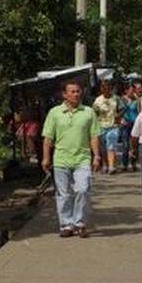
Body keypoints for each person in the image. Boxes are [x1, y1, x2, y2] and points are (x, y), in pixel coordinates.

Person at [41, 79, 100, 238]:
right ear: (64, 94)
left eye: (78, 91)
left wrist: (97, 156)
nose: (76, 94)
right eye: (72, 91)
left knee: (82, 189)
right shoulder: (54, 113)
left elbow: (94, 136)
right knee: (64, 194)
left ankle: (80, 223)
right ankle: (66, 225)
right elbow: (48, 138)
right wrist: (46, 158)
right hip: (61, 159)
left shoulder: (88, 112)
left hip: (82, 159)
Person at [91, 81, 120, 174]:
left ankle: (111, 166)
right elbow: (93, 113)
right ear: (101, 89)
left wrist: (118, 116)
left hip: (113, 126)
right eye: (103, 88)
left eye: (107, 88)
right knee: (103, 147)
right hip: (101, 126)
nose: (106, 90)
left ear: (110, 89)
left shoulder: (116, 98)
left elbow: (123, 108)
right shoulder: (97, 100)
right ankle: (105, 165)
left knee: (111, 145)